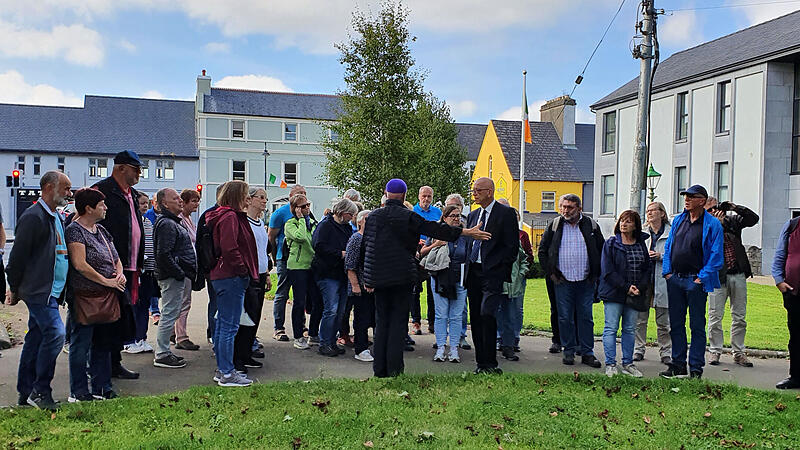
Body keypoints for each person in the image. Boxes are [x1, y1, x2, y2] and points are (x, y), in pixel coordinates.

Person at [363, 179, 489, 377]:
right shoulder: (409, 217)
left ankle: (379, 369)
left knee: (382, 322)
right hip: (402, 276)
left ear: (386, 194)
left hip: (379, 278)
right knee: (397, 323)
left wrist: (368, 279)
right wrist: (465, 232)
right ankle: (394, 369)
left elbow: (367, 248)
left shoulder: (373, 217)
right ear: (404, 196)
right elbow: (435, 229)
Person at [6, 171, 71, 409]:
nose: (69, 193)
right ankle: (40, 390)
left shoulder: (55, 216)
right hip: (39, 290)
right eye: (65, 188)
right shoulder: (34, 217)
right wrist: (14, 288)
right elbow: (17, 257)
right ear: (49, 187)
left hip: (50, 290)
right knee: (55, 334)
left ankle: (26, 392)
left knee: (36, 338)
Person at [66, 188, 127, 401]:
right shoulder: (75, 231)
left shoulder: (101, 230)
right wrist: (106, 280)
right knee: (81, 344)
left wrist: (119, 274)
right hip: (85, 296)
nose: (106, 208)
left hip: (106, 296)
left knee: (103, 344)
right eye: (101, 205)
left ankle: (102, 387)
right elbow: (80, 264)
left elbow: (116, 257)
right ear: (89, 208)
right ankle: (79, 391)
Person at [660, 185, 724, 380]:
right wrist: (667, 272)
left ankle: (696, 367)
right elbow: (669, 247)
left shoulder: (712, 224)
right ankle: (678, 364)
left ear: (702, 201)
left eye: (691, 197)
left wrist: (700, 278)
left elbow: (716, 256)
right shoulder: (679, 220)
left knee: (697, 325)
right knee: (676, 324)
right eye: (685, 196)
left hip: (695, 280)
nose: (686, 200)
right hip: (675, 279)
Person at [93, 150, 144, 380]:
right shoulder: (102, 191)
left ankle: (114, 362)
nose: (139, 173)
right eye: (136, 169)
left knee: (123, 316)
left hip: (130, 266)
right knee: (109, 317)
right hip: (111, 266)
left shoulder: (132, 194)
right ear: (121, 168)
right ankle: (102, 365)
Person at [538, 194, 605, 368]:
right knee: (565, 317)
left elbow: (601, 250)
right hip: (563, 280)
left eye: (569, 207)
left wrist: (596, 275)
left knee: (586, 317)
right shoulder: (555, 225)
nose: (565, 210)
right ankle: (568, 351)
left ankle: (587, 352)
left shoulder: (591, 225)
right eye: (562, 206)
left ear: (579, 208)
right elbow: (542, 251)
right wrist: (551, 273)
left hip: (586, 280)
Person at [205, 181, 258, 387]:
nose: (248, 199)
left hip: (224, 275)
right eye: (246, 195)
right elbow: (230, 247)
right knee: (229, 326)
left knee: (223, 325)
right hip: (231, 276)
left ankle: (224, 369)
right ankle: (227, 372)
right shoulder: (230, 217)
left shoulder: (224, 215)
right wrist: (242, 269)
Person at [465, 179, 520, 374]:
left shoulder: (505, 214)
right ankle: (481, 363)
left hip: (492, 273)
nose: (474, 194)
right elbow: (469, 243)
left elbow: (512, 246)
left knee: (487, 313)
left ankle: (491, 363)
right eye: (473, 190)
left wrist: (498, 267)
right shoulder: (472, 215)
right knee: (476, 317)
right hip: (473, 272)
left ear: (489, 192)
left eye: (478, 190)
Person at [704, 197, 759, 367]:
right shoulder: (704, 225)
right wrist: (717, 225)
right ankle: (715, 351)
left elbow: (753, 219)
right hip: (717, 277)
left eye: (717, 207)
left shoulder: (732, 221)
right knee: (715, 316)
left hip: (738, 273)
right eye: (710, 209)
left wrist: (735, 207)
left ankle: (739, 352)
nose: (715, 211)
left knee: (739, 316)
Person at [599, 210, 652, 378]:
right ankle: (610, 364)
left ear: (635, 225)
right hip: (614, 293)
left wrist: (640, 287)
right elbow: (607, 271)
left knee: (629, 329)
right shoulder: (611, 243)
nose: (624, 224)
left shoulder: (640, 243)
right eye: (622, 220)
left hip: (635, 293)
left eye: (628, 221)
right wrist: (626, 287)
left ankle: (628, 363)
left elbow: (647, 268)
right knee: (611, 328)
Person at [419, 205, 471, 363]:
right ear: (444, 217)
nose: (456, 219)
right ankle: (441, 347)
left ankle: (454, 348)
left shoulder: (465, 235)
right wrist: (436, 245)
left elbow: (469, 255)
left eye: (458, 216)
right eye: (452, 216)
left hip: (459, 278)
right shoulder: (437, 232)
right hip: (440, 276)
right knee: (441, 314)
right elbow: (422, 252)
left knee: (456, 315)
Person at [152, 188, 197, 369]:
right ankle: (162, 353)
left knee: (172, 312)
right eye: (175, 198)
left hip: (174, 275)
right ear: (164, 203)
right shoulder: (167, 224)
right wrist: (179, 272)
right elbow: (163, 254)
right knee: (169, 313)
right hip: (171, 276)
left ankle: (164, 351)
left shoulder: (172, 222)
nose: (180, 200)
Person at [233, 188, 273, 372]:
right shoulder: (244, 222)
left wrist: (267, 274)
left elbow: (263, 250)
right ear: (249, 199)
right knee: (245, 316)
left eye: (266, 198)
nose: (264, 201)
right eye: (261, 197)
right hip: (249, 274)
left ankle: (247, 352)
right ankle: (238, 357)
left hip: (261, 273)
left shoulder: (260, 222)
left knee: (255, 316)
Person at [312, 198, 356, 357]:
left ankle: (332, 341)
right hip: (327, 273)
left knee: (340, 311)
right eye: (350, 214)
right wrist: (340, 254)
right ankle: (324, 343)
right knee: (330, 309)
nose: (351, 218)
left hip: (341, 274)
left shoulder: (346, 228)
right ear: (343, 212)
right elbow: (318, 246)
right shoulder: (325, 225)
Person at [634, 201, 672, 365]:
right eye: (647, 211)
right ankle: (638, 349)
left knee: (663, 322)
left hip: (662, 280)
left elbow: (676, 255)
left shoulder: (671, 233)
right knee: (640, 320)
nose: (649, 213)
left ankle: (666, 352)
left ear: (662, 213)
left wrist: (660, 256)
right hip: (644, 280)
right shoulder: (642, 233)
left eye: (653, 210)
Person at [268, 184, 307, 342]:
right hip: (284, 258)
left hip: (301, 260)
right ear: (291, 197)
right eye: (299, 193)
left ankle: (301, 326)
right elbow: (271, 236)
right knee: (282, 292)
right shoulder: (280, 213)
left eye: (304, 193)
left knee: (300, 294)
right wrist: (275, 256)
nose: (303, 196)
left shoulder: (307, 212)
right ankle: (279, 327)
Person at [285, 194, 322, 350]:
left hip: (312, 266)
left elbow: (316, 241)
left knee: (317, 301)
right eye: (303, 206)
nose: (307, 208)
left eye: (308, 205)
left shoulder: (313, 223)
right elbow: (300, 237)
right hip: (297, 267)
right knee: (299, 302)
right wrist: (300, 219)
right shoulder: (290, 224)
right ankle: (298, 336)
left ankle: (313, 333)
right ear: (295, 209)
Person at [496, 206, 532, 359]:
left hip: (512, 285)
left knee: (511, 316)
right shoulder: (493, 238)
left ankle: (509, 346)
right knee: (496, 315)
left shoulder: (515, 240)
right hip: (497, 284)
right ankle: (497, 341)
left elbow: (524, 259)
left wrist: (521, 274)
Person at [122, 192, 156, 354]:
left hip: (148, 270)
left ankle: (141, 338)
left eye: (146, 203)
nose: (144, 206)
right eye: (141, 203)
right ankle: (129, 340)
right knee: (133, 306)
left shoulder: (147, 221)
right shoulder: (129, 221)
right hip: (135, 270)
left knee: (144, 305)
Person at [771, 215, 800, 389]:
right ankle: (796, 376)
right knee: (795, 336)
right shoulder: (791, 225)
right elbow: (780, 254)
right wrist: (779, 281)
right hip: (794, 291)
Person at [171, 189, 201, 351]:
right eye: (194, 201)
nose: (197, 204)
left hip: (188, 265)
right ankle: (181, 336)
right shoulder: (180, 220)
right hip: (183, 266)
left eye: (198, 200)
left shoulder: (188, 218)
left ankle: (173, 331)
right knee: (183, 302)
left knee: (180, 301)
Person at [196, 184, 225, 344]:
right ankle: (214, 334)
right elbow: (201, 244)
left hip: (218, 266)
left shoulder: (228, 214)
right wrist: (204, 267)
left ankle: (216, 333)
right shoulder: (210, 215)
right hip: (213, 266)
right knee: (216, 301)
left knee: (220, 301)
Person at [412, 186, 442, 335]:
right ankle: (416, 322)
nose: (426, 199)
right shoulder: (412, 212)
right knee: (415, 290)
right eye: (424, 196)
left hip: (433, 252)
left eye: (429, 196)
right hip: (416, 251)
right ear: (419, 196)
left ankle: (432, 322)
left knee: (432, 289)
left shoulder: (437, 213)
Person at [346, 209, 375, 362]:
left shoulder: (374, 239)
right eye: (367, 219)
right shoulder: (356, 239)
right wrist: (355, 285)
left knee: (374, 318)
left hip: (374, 286)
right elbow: (350, 265)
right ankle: (360, 349)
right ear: (359, 222)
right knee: (361, 319)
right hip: (361, 286)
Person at [445, 193, 471, 350]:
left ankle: (461, 336)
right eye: (450, 206)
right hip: (443, 271)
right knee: (442, 308)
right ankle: (443, 338)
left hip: (461, 271)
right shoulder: (440, 226)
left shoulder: (467, 224)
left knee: (461, 307)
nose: (454, 210)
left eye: (457, 206)